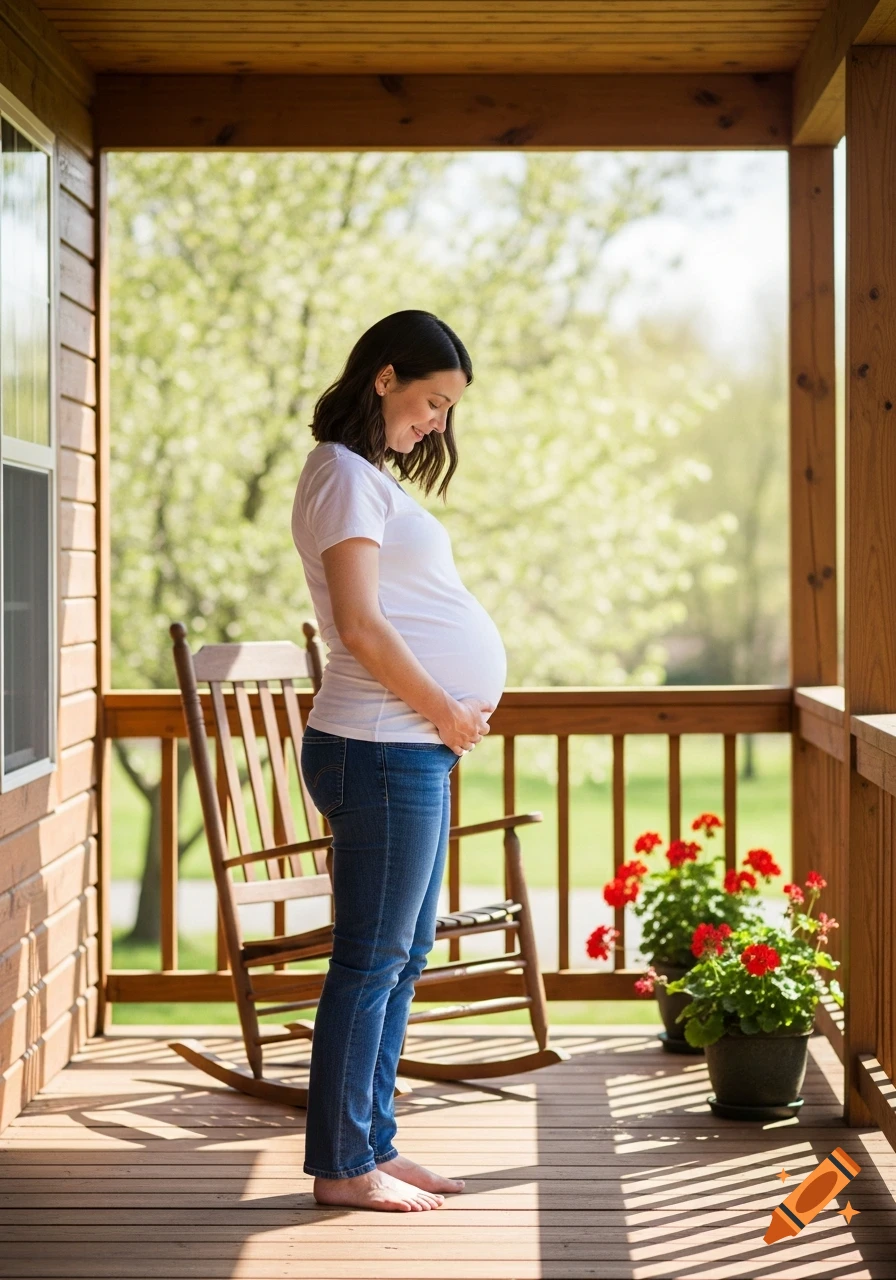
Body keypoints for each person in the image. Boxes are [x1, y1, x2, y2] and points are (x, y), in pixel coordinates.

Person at [291, 310, 507, 1213]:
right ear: (384, 378)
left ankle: (371, 1140)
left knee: (403, 952)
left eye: (450, 408)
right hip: (382, 745)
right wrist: (446, 711)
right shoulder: (342, 476)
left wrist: (445, 720)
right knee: (370, 957)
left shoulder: (364, 478)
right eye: (431, 400)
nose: (439, 423)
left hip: (406, 746)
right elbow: (360, 626)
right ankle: (343, 1165)